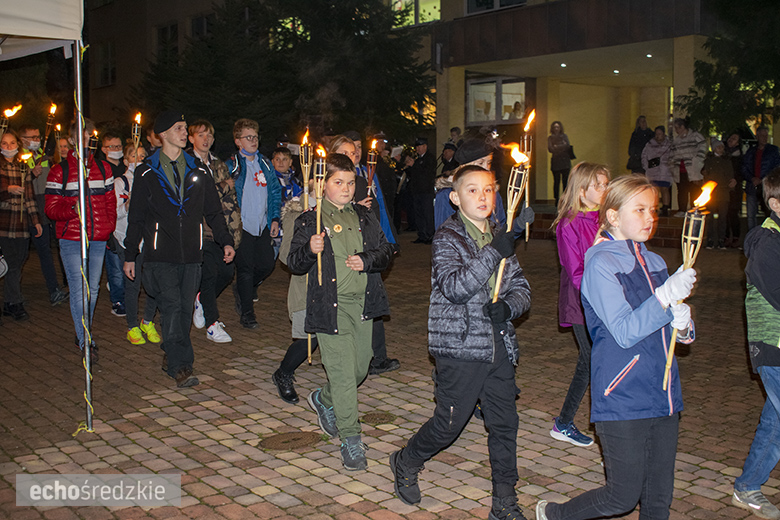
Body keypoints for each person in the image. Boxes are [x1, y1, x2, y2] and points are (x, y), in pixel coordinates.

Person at [536, 174, 698, 520]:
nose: (649, 217)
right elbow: (624, 331)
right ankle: (556, 515)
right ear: (612, 216)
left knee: (658, 497)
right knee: (622, 496)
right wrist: (665, 296)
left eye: (652, 210)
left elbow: (666, 330)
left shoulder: (655, 262)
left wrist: (683, 326)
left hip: (664, 391)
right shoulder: (600, 263)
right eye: (638, 210)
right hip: (623, 393)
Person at [390, 163, 531, 519]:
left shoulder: (499, 233)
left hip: (497, 344)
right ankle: (406, 460)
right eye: (472, 190)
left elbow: (521, 289)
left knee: (504, 423)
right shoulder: (447, 238)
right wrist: (495, 250)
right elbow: (454, 288)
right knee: (449, 424)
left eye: (488, 189)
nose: (482, 197)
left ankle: (504, 502)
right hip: (460, 346)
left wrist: (509, 307)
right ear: (454, 198)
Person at [288, 152, 394, 471]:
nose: (346, 188)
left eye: (350, 182)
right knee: (345, 375)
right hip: (329, 309)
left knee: (359, 369)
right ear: (323, 185)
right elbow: (293, 262)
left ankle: (324, 398)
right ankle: (351, 438)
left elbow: (386, 251)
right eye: (338, 182)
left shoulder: (364, 216)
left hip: (363, 306)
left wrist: (367, 260)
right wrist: (310, 249)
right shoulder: (310, 220)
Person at [124, 110, 235, 388]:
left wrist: (226, 240)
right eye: (178, 128)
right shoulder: (146, 171)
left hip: (192, 254)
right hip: (160, 255)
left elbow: (213, 211)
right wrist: (129, 255)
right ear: (162, 135)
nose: (184, 132)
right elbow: (136, 216)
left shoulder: (199, 170)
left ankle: (170, 353)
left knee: (185, 310)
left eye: (185, 127)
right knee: (172, 307)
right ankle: (181, 365)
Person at [548, 162, 611, 448]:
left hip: (607, 300)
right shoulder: (569, 224)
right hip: (582, 303)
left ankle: (570, 422)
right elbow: (575, 271)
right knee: (591, 360)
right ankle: (565, 422)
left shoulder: (606, 219)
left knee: (595, 360)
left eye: (606, 183)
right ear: (582, 190)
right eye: (599, 184)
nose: (605, 189)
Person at [46, 119, 117, 363]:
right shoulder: (60, 170)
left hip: (97, 238)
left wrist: (108, 228)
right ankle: (85, 338)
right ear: (73, 139)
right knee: (79, 290)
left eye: (89, 137)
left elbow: (109, 203)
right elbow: (51, 209)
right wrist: (72, 208)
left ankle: (82, 331)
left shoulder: (104, 169)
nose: (86, 141)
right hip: (72, 238)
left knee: (93, 288)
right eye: (81, 136)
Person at [330, 134, 400, 375]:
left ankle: (375, 355)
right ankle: (368, 356)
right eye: (346, 152)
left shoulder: (362, 178)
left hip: (370, 245)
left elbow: (378, 209)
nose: (353, 155)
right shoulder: (339, 184)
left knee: (372, 299)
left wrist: (388, 240)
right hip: (351, 250)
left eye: (354, 151)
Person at [732, 168, 780, 520]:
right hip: (772, 344)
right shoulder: (767, 243)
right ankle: (748, 486)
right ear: (775, 203)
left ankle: (748, 485)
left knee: (776, 419)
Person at [225, 118, 281, 329]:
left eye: (255, 137)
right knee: (246, 269)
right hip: (242, 226)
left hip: (262, 224)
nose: (253, 140)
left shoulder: (265, 164)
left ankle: (243, 289)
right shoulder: (232, 165)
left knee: (267, 264)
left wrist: (274, 218)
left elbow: (275, 192)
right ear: (238, 141)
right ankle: (247, 313)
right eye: (248, 137)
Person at [188, 119, 241, 343]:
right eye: (200, 135)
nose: (206, 139)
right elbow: (197, 196)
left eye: (209, 135)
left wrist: (234, 230)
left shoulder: (218, 164)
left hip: (220, 228)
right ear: (191, 139)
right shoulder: (187, 163)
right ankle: (212, 324)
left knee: (227, 273)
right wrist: (223, 186)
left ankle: (200, 299)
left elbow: (230, 200)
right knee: (209, 272)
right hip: (198, 230)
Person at [272, 192, 318, 404]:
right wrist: (309, 249)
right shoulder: (297, 215)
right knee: (309, 339)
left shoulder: (337, 212)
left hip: (333, 286)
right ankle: (283, 372)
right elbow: (286, 256)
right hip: (306, 285)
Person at [18, 124, 68, 306]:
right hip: (24, 212)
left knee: (45, 250)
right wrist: (30, 174)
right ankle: (13, 295)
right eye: (32, 137)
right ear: (22, 140)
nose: (36, 140)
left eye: (38, 136)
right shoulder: (18, 157)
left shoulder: (46, 156)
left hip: (44, 209)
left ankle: (54, 289)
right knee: (20, 255)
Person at [116, 143, 161, 345]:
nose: (139, 159)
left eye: (143, 156)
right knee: (133, 285)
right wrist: (128, 204)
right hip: (127, 239)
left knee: (153, 282)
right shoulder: (121, 182)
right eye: (134, 156)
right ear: (126, 161)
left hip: (148, 239)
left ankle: (148, 320)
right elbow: (115, 214)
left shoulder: (151, 179)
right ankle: (132, 325)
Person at [0, 130, 42, 321]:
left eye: (11, 143)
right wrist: (7, 190)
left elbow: (30, 197)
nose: (8, 147)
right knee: (10, 263)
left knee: (18, 262)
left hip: (21, 222)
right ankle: (15, 302)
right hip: (5, 222)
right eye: (4, 144)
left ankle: (10, 302)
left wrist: (36, 220)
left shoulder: (22, 168)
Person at [434, 138, 509, 231]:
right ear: (464, 167)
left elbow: (501, 227)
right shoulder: (446, 194)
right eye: (480, 163)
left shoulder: (493, 192)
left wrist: (517, 226)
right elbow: (442, 234)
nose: (486, 168)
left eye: (489, 162)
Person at [100, 131, 127, 317]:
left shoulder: (125, 171)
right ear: (104, 149)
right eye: (112, 147)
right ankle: (118, 299)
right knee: (115, 264)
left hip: (125, 223)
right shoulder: (102, 169)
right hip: (110, 221)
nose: (116, 150)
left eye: (119, 147)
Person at [742, 126, 780, 230]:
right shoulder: (751, 151)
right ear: (757, 136)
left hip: (767, 187)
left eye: (766, 135)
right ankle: (752, 239)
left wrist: (763, 179)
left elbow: (776, 168)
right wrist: (752, 178)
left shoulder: (773, 150)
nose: (764, 137)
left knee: (769, 213)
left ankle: (769, 237)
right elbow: (744, 168)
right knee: (751, 215)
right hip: (752, 186)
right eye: (762, 135)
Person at [670, 118, 707, 216]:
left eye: (677, 128)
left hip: (693, 169)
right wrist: (673, 164)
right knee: (682, 190)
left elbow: (703, 147)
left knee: (694, 190)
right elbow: (672, 153)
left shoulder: (696, 136)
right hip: (680, 170)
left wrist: (698, 160)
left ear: (682, 127)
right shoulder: (676, 140)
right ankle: (681, 210)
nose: (676, 130)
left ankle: (695, 210)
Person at [701, 138, 734, 249]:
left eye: (722, 147)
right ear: (715, 148)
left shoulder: (727, 161)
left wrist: (731, 182)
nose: (721, 149)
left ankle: (721, 240)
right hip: (711, 193)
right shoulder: (709, 161)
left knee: (722, 217)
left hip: (724, 192)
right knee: (709, 217)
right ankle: (710, 239)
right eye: (719, 147)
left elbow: (730, 175)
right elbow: (705, 174)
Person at [405, 137, 436, 244]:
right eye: (416, 147)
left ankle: (430, 235)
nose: (417, 149)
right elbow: (414, 174)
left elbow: (426, 173)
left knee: (427, 214)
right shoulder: (418, 160)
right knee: (419, 214)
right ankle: (422, 235)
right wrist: (409, 166)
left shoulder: (430, 159)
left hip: (426, 191)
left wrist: (414, 165)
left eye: (419, 146)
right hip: (417, 191)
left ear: (425, 147)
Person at [642, 125, 673, 216]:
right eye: (656, 134)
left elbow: (674, 156)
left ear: (664, 134)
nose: (657, 136)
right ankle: (654, 208)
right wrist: (646, 166)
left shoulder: (669, 145)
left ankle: (665, 208)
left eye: (660, 134)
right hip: (652, 171)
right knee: (654, 190)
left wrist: (670, 166)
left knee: (664, 189)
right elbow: (644, 156)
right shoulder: (649, 144)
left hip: (665, 171)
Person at [725, 132, 744, 248]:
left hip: (735, 188)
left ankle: (736, 237)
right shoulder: (724, 154)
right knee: (725, 212)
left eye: (735, 138)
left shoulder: (740, 156)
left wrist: (736, 180)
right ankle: (726, 236)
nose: (731, 140)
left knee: (733, 212)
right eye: (731, 137)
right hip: (725, 188)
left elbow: (742, 170)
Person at [548, 121, 572, 207]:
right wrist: (562, 146)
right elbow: (550, 148)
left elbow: (567, 146)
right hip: (556, 162)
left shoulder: (564, 136)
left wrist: (557, 146)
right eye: (555, 127)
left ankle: (565, 199)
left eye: (558, 127)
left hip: (565, 161)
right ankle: (556, 199)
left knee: (565, 181)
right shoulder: (550, 138)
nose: (556, 129)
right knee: (556, 182)